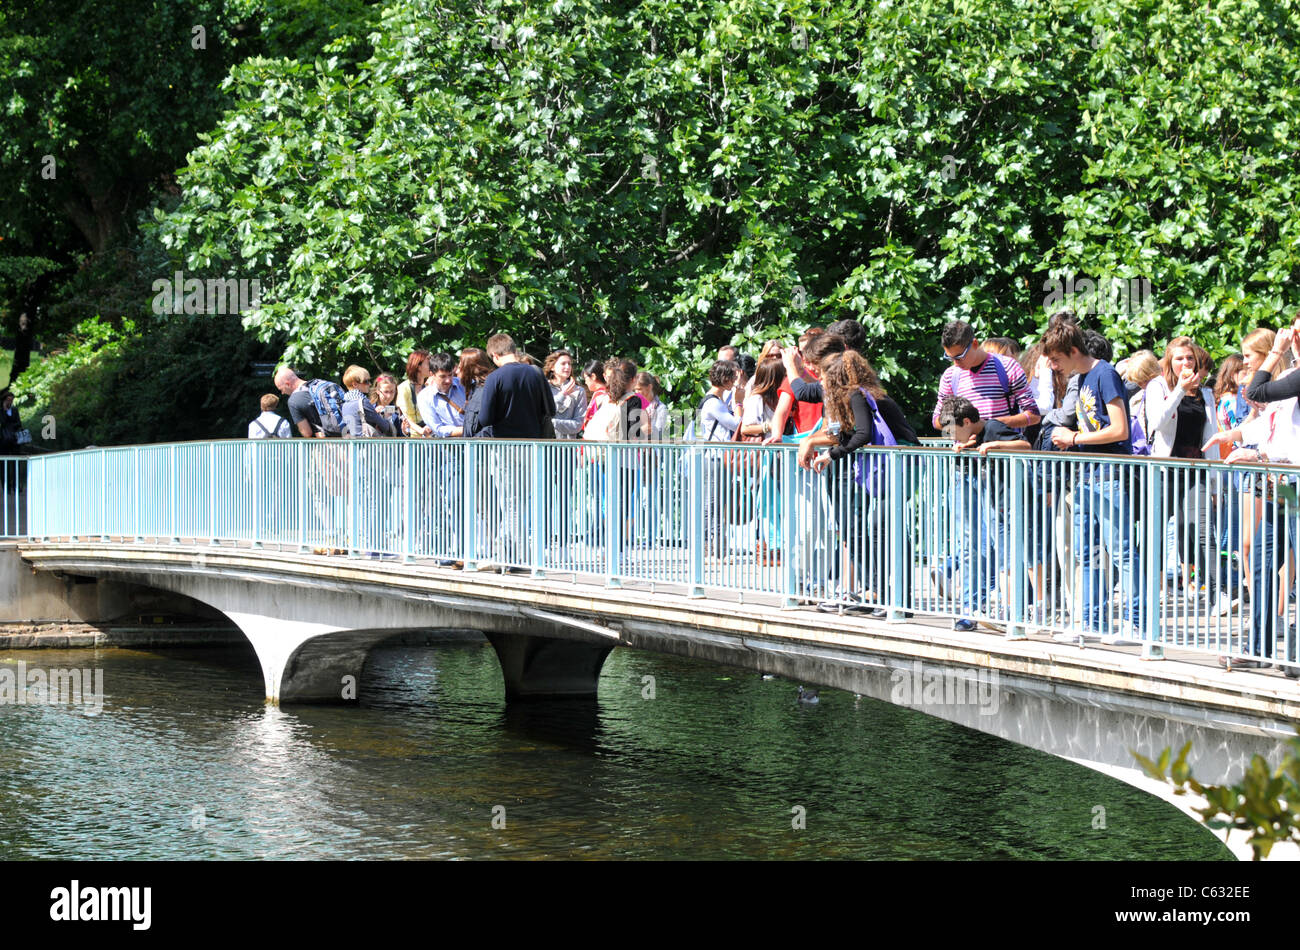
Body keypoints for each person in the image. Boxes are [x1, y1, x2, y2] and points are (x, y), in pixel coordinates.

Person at [1043, 321, 1143, 645]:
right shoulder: (1082, 377)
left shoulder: (1106, 373)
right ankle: (1090, 622)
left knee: (1122, 551)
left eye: (1056, 359)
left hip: (1109, 474)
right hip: (1086, 474)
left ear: (1073, 351)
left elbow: (1119, 430)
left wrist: (1073, 437)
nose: (1053, 366)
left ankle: (1135, 623)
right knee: (1086, 554)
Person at [936, 396, 1030, 631]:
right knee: (970, 547)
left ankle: (1011, 611)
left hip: (996, 495)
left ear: (967, 421)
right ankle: (970, 609)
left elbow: (1025, 445)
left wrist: (995, 445)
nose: (950, 436)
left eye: (952, 431)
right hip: (975, 485)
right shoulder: (972, 433)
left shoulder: (995, 427)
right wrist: (967, 447)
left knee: (1000, 551)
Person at [932, 321, 1040, 433]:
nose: (955, 363)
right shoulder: (950, 376)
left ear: (974, 344)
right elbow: (936, 420)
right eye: (950, 358)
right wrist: (962, 427)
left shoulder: (1008, 367)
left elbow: (1034, 416)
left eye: (959, 357)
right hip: (965, 449)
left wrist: (990, 426)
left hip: (1001, 447)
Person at [743, 358, 790, 565]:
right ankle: (772, 549)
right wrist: (769, 427)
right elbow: (745, 428)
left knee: (783, 504)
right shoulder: (757, 399)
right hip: (768, 458)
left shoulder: (784, 397)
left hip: (783, 457)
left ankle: (780, 547)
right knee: (769, 504)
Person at [275, 366, 346, 438]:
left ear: (288, 384)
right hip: (348, 435)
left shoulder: (293, 401)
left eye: (281, 389)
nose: (282, 393)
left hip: (328, 444)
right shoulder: (317, 384)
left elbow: (307, 433)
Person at [417, 352, 467, 438]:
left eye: (450, 375)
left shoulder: (464, 385)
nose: (448, 380)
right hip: (447, 447)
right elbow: (438, 429)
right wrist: (468, 429)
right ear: (432, 374)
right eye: (442, 376)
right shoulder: (424, 397)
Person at [340, 365, 396, 439]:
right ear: (355, 384)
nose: (369, 384)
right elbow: (385, 427)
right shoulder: (363, 402)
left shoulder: (345, 403)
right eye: (366, 381)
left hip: (353, 445)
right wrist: (386, 416)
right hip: (366, 446)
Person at [545, 350, 589, 439]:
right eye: (563, 363)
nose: (567, 367)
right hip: (545, 444)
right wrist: (563, 394)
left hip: (568, 447)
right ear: (552, 367)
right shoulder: (544, 387)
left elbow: (578, 424)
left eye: (569, 364)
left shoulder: (578, 391)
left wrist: (552, 423)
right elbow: (544, 413)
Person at [397, 350, 432, 437]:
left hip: (429, 435)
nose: (432, 367)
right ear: (418, 366)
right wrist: (420, 430)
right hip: (411, 437)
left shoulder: (429, 388)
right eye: (428, 364)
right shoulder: (403, 388)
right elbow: (405, 416)